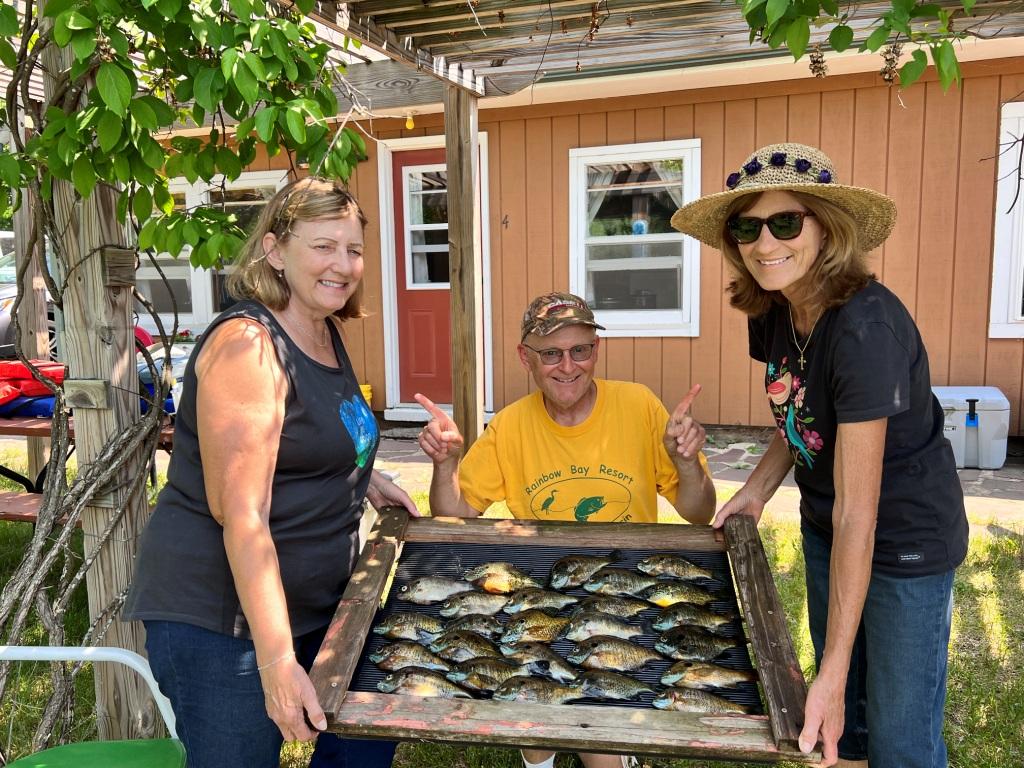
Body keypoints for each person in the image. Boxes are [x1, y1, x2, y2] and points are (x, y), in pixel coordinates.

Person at [670, 143, 968, 768]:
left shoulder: (866, 332)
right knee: (848, 736)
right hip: (826, 525)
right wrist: (755, 490)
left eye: (786, 222)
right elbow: (800, 412)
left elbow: (863, 515)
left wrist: (826, 678)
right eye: (747, 227)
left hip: (903, 536)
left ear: (826, 228)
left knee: (900, 738)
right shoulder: (774, 306)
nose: (764, 243)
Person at [123, 178, 418, 768]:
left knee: (362, 747)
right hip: (222, 621)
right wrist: (278, 662)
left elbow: (314, 436)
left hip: (318, 604)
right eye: (323, 246)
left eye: (354, 250)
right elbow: (242, 515)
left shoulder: (325, 329)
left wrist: (361, 479)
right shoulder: (248, 346)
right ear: (276, 251)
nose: (343, 265)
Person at [416, 291, 716, 768]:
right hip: (540, 585)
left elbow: (699, 513)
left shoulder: (638, 405)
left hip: (627, 591)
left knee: (599, 752)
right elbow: (452, 512)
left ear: (595, 351)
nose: (568, 366)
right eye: (551, 353)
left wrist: (689, 466)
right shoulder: (510, 426)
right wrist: (446, 463)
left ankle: (613, 749)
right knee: (533, 719)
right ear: (525, 358)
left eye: (581, 350)